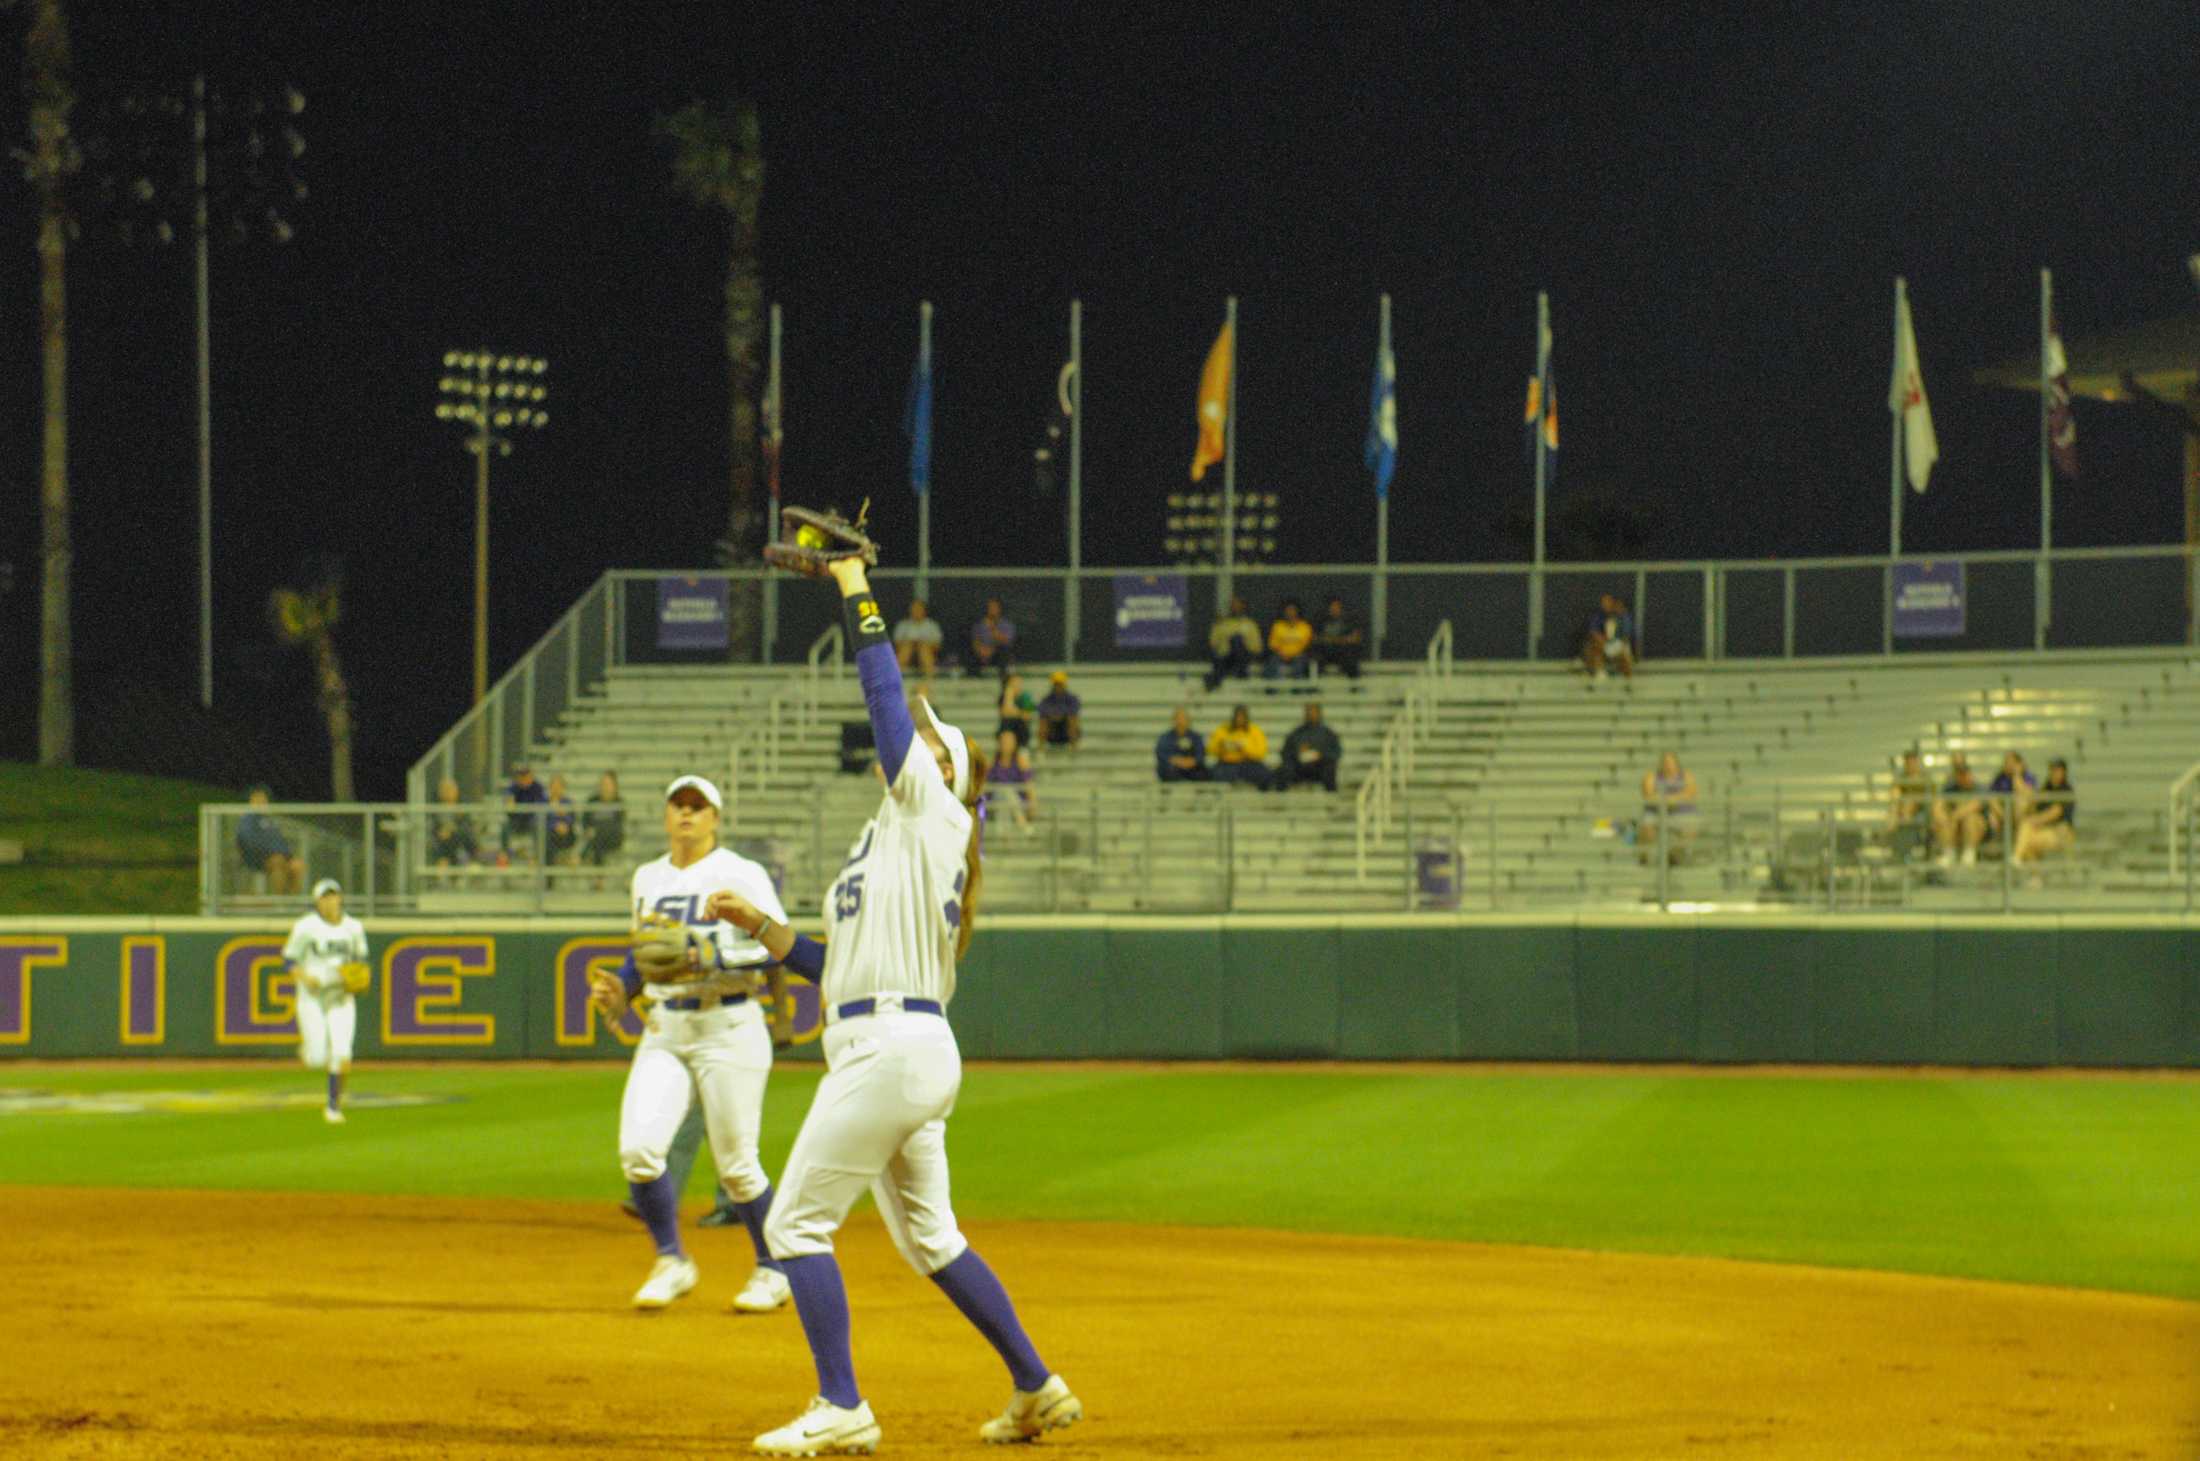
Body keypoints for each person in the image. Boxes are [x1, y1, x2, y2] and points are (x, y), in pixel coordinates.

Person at [713, 553, 1079, 1454]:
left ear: (942, 769)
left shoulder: (934, 811)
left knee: (795, 1224)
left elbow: (884, 704)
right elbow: (840, 967)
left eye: (928, 736)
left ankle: (843, 1405)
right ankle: (1037, 1384)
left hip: (889, 1049)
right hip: (896, 1038)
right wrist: (766, 927)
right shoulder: (895, 837)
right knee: (934, 1240)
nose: (914, 733)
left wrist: (853, 587)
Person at [583, 774, 793, 1316]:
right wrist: (621, 991)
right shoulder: (647, 876)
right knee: (638, 1151)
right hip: (666, 1028)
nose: (687, 814)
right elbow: (645, 952)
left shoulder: (741, 873)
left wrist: (714, 957)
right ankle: (672, 1259)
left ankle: (773, 1269)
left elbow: (777, 947)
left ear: (715, 818)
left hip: (730, 1024)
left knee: (738, 1166)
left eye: (698, 806)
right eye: (678, 804)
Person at [282, 878, 368, 1124]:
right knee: (317, 1058)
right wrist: (303, 977)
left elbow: (361, 959)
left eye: (334, 895)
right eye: (325, 897)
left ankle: (334, 1106)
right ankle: (308, 1049)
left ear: (340, 898)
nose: (330, 901)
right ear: (317, 902)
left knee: (342, 1053)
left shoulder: (353, 927)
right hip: (311, 996)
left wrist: (358, 979)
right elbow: (289, 959)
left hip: (341, 996)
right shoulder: (305, 927)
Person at [237, 785, 304, 894]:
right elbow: (247, 840)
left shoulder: (269, 821)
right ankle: (279, 901)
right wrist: (269, 853)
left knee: (297, 865)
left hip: (277, 857)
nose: (262, 802)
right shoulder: (247, 819)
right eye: (258, 799)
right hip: (256, 859)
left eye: (264, 799)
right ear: (251, 801)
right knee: (277, 861)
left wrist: (289, 857)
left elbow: (281, 842)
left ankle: (293, 900)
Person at [1637, 751, 1698, 862]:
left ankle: (1674, 856)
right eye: (1666, 763)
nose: (1668, 766)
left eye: (1671, 763)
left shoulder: (1687, 777)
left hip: (1681, 812)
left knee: (1690, 828)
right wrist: (1676, 798)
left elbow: (1689, 795)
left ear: (1676, 763)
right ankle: (1644, 858)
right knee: (1646, 826)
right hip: (1655, 812)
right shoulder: (1651, 777)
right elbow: (1649, 796)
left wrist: (1665, 799)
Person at [2014, 758, 2077, 866]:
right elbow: (2035, 803)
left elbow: (2055, 813)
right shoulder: (2047, 787)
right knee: (2028, 841)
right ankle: (2034, 877)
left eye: (2057, 770)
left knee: (2027, 836)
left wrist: (2032, 821)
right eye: (2052, 770)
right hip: (2046, 830)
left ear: (2063, 772)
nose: (2054, 773)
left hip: (2061, 832)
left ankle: (2017, 858)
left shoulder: (2065, 789)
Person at [1271, 701, 1342, 792]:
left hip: (1319, 768)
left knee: (1330, 769)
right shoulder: (1296, 733)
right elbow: (1285, 752)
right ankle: (1279, 801)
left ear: (1319, 714)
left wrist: (1321, 755)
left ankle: (1332, 801)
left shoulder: (1328, 734)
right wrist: (1298, 754)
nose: (1310, 715)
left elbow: (1336, 752)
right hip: (1300, 768)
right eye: (1308, 712)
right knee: (1283, 770)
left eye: (1313, 712)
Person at [1932, 753, 1987, 867]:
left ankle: (1969, 853)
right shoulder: (1950, 789)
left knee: (1970, 818)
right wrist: (1940, 815)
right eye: (1960, 775)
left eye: (1965, 774)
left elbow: (1975, 805)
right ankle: (1949, 852)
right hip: (1954, 827)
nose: (1963, 778)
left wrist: (1954, 815)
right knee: (1943, 818)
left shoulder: (1979, 789)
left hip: (1976, 828)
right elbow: (1938, 804)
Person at [1204, 595, 1261, 691]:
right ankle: (1236, 671)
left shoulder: (1250, 625)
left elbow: (1257, 647)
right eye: (1232, 605)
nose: (1235, 607)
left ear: (1243, 607)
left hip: (1244, 657)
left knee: (1237, 640)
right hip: (1225, 657)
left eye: (1237, 605)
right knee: (1230, 645)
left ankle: (1223, 675)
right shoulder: (1221, 623)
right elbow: (1213, 643)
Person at [1208, 705, 1271, 788]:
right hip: (1228, 763)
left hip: (1248, 763)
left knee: (1264, 773)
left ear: (1246, 718)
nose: (1239, 719)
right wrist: (1222, 747)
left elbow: (1261, 753)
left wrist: (1244, 749)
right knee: (1214, 773)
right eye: (1237, 717)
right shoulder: (1223, 730)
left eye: (1242, 717)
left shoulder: (1255, 731)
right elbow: (1211, 749)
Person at [1985, 750, 2037, 851]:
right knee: (1992, 814)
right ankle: (1995, 844)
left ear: (2018, 763)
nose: (2007, 765)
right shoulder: (2000, 777)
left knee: (2020, 803)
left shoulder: (2028, 777)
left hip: (2023, 813)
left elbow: (2027, 794)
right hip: (2005, 814)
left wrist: (2016, 775)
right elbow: (1991, 795)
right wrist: (2004, 815)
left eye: (2010, 762)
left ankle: (2018, 842)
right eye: (2006, 762)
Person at [1885, 750, 1932, 861]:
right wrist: (1895, 812)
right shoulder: (1900, 779)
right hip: (1902, 814)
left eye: (1913, 762)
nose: (1911, 765)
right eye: (1908, 763)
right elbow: (1895, 796)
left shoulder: (1926, 779)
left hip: (1922, 813)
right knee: (1901, 817)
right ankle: (1902, 855)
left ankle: (1903, 855)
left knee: (1908, 808)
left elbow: (1930, 800)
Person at [987, 728, 1038, 831]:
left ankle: (1004, 839)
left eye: (1009, 741)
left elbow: (1029, 786)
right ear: (999, 743)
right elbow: (985, 785)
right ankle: (1024, 827)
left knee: (1006, 793)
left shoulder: (1021, 762)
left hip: (1018, 802)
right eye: (1004, 741)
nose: (1006, 744)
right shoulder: (993, 762)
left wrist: (1032, 805)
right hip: (995, 802)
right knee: (1004, 792)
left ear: (1015, 743)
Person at [1582, 594, 1636, 680]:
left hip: (1618, 644)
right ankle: (1598, 672)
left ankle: (1627, 679)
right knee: (1593, 646)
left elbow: (1626, 636)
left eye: (1608, 603)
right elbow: (1593, 632)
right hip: (1603, 644)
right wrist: (1604, 642)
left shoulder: (1623, 617)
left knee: (1624, 653)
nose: (1606, 605)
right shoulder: (1598, 616)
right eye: (1603, 603)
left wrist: (1618, 644)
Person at [428, 776, 479, 867]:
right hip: (441, 846)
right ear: (439, 792)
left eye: (450, 789)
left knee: (458, 841)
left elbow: (467, 830)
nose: (447, 792)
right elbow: (433, 828)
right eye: (444, 789)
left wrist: (451, 829)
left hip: (461, 845)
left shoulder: (463, 808)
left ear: (456, 790)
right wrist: (441, 831)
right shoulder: (433, 809)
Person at [504, 762, 549, 860]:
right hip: (517, 819)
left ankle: (538, 857)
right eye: (521, 775)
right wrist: (509, 804)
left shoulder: (537, 787)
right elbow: (508, 805)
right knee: (505, 826)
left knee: (538, 824)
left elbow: (543, 804)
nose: (523, 778)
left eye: (526, 775)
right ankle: (505, 856)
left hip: (531, 819)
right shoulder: (513, 787)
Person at [1313, 596, 1364, 680]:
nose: (1334, 609)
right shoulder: (1321, 621)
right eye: (1332, 607)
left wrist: (1334, 640)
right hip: (1326, 652)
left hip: (1343, 652)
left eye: (1337, 607)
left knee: (1351, 658)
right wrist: (1338, 640)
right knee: (1315, 659)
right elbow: (1315, 638)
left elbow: (1355, 638)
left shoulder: (1349, 621)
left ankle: (1355, 687)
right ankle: (1313, 688)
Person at [582, 770, 626, 867]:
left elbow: (617, 826)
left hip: (612, 838)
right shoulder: (592, 801)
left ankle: (581, 857)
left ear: (615, 787)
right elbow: (585, 821)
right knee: (597, 839)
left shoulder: (619, 803)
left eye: (608, 785)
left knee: (599, 833)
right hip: (594, 839)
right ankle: (599, 877)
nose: (605, 788)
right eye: (603, 784)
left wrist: (597, 829)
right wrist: (588, 830)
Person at [1155, 707, 1208, 783]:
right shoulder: (1166, 737)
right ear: (1174, 720)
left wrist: (1191, 762)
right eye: (1178, 719)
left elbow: (1201, 754)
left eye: (1184, 719)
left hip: (1192, 768)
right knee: (1166, 770)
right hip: (1174, 768)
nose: (1181, 721)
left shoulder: (1195, 737)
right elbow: (1161, 754)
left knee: (1203, 772)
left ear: (1188, 720)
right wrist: (1177, 761)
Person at [1265, 598, 1313, 680]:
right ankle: (1273, 688)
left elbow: (1306, 645)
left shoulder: (1305, 627)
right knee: (1272, 661)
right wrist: (1283, 654)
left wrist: (1292, 655)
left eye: (1292, 610)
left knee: (1300, 662)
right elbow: (1273, 644)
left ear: (1297, 612)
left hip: (1299, 656)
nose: (1290, 613)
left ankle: (1298, 689)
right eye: (1288, 610)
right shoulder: (1277, 626)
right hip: (1280, 655)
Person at [967, 598, 1017, 677]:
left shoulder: (1007, 625)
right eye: (990, 607)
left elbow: (1006, 641)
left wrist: (992, 628)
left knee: (1004, 652)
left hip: (997, 653)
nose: (992, 610)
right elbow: (975, 640)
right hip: (982, 653)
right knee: (969, 653)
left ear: (999, 609)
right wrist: (980, 650)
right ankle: (973, 678)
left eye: (994, 607)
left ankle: (1003, 678)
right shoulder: (980, 624)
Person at [892, 598, 942, 676]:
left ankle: (929, 677)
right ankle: (895, 677)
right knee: (906, 648)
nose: (916, 611)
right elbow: (896, 644)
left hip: (927, 653)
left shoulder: (932, 625)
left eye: (919, 609)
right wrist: (911, 644)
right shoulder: (903, 625)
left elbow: (937, 645)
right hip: (907, 653)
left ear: (924, 610)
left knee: (923, 649)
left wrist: (922, 644)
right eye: (914, 609)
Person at [1035, 671, 1082, 752]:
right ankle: (1040, 749)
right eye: (1056, 684)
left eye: (1060, 684)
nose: (1058, 686)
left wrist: (1060, 715)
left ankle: (1074, 748)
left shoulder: (1072, 698)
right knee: (1043, 719)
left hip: (1066, 731)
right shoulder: (1046, 699)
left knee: (1072, 718)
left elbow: (1074, 711)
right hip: (1052, 732)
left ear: (1064, 685)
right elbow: (1042, 711)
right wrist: (1054, 715)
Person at [543, 772, 579, 866]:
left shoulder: (568, 803)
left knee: (571, 833)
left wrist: (564, 819)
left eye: (559, 786)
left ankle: (569, 857)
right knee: (546, 839)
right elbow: (541, 820)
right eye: (554, 786)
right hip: (550, 835)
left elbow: (573, 819)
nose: (556, 789)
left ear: (563, 788)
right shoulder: (544, 803)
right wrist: (555, 826)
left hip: (565, 835)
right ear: (550, 787)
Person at [996, 672, 1036, 752]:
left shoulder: (1025, 697)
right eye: (1014, 682)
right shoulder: (1003, 697)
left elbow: (1027, 716)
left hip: (1021, 732)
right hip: (1007, 731)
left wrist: (1015, 713)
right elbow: (1005, 713)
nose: (1017, 685)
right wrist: (1009, 694)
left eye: (1019, 682)